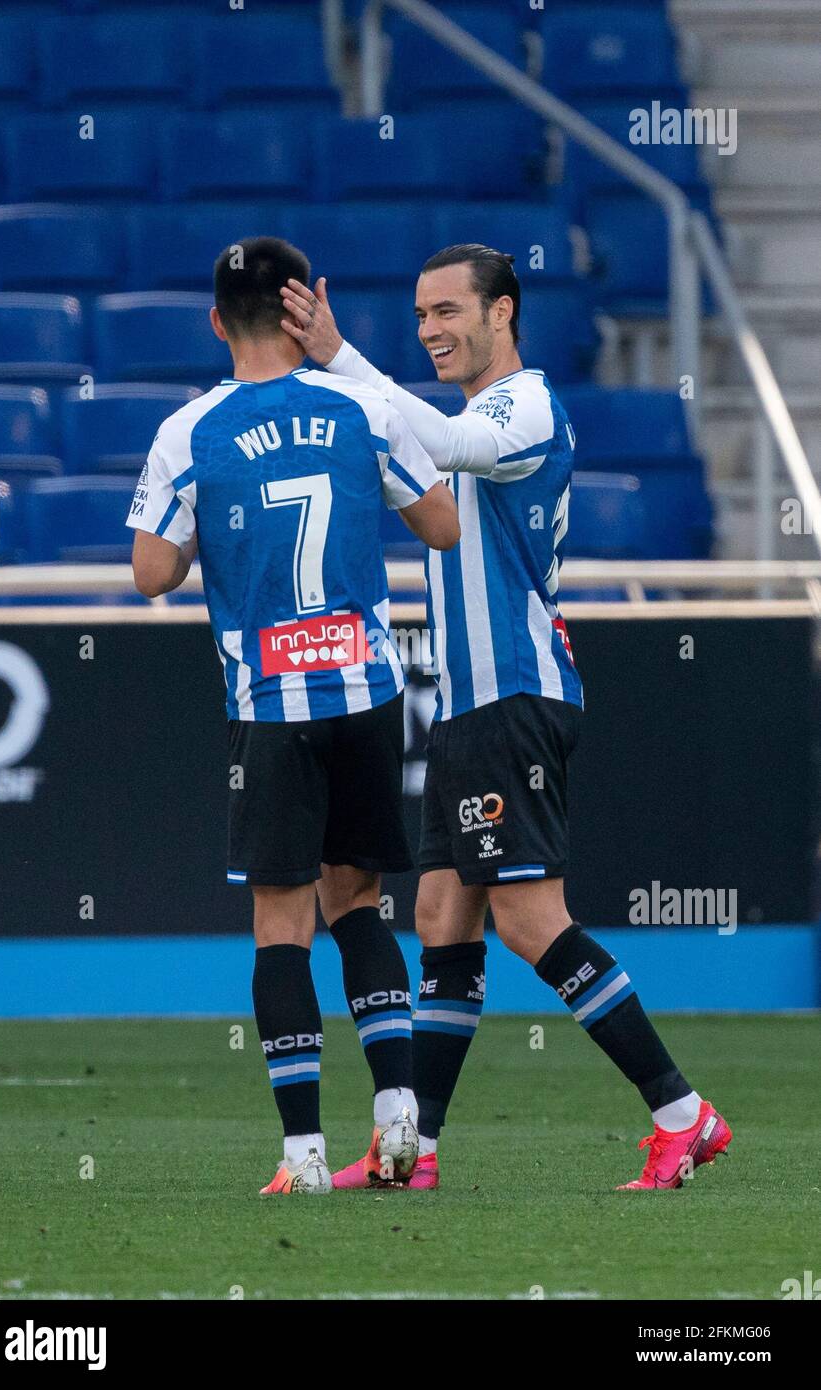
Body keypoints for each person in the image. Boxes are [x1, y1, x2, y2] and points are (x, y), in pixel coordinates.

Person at [281, 244, 732, 1192]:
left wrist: (338, 359)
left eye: (448, 311)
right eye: (420, 316)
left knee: (531, 923)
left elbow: (444, 450)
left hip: (514, 699)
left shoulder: (523, 403)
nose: (432, 330)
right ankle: (420, 1152)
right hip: (471, 708)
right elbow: (430, 451)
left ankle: (683, 1114)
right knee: (443, 914)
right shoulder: (472, 409)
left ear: (503, 313)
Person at [128, 236, 459, 1194]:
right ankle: (399, 1131)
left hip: (270, 703)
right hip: (366, 690)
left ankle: (303, 1157)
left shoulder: (189, 432)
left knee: (282, 925)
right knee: (358, 903)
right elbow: (440, 525)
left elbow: (151, 573)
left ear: (214, 320)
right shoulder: (362, 406)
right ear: (299, 308)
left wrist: (209, 537)